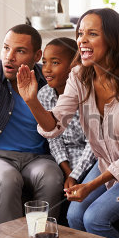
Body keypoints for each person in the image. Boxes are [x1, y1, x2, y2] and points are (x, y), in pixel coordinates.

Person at [17, 8, 119, 238]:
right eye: (80, 33)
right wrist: (31, 101)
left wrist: (91, 184)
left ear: (112, 39)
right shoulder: (79, 75)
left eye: (92, 34)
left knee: (94, 219)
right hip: (107, 162)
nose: (82, 40)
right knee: (75, 215)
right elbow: (55, 124)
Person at [0, 24, 63, 224]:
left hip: (36, 158)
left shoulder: (48, 79)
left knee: (51, 177)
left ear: (37, 55)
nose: (9, 56)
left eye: (20, 51)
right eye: (6, 48)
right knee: (7, 178)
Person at [38, 38, 96, 189]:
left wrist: (75, 175)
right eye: (44, 62)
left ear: (75, 66)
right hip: (64, 160)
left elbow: (94, 144)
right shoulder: (44, 94)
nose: (47, 69)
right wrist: (67, 172)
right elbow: (54, 139)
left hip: (94, 158)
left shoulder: (90, 94)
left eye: (55, 62)